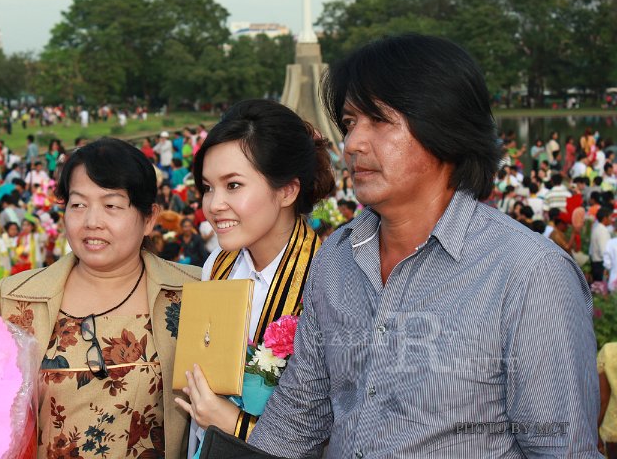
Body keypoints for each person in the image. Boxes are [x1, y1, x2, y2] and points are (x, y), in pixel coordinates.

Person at [244, 34, 599, 456]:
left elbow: (560, 449)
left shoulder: (529, 274)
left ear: (443, 126)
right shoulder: (336, 260)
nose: (353, 143)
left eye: (378, 120)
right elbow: (299, 415)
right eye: (350, 122)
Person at [0, 138, 201, 459]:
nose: (92, 220)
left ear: (149, 218)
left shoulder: (190, 292)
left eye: (111, 205)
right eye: (78, 204)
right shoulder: (22, 297)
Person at [174, 99, 334, 456]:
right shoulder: (218, 264)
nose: (213, 204)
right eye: (208, 187)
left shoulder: (327, 277)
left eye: (233, 185)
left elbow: (335, 426)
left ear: (288, 191)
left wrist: (232, 423)